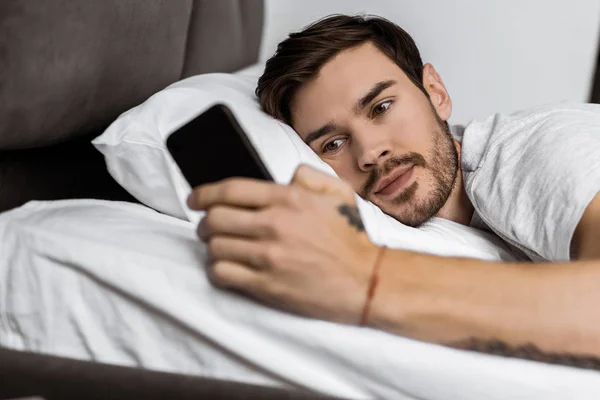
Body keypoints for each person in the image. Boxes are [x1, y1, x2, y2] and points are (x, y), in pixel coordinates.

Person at [187, 14, 600, 369]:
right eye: (332, 144)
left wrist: (365, 275)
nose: (370, 152)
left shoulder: (537, 149)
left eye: (381, 107)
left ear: (435, 93)